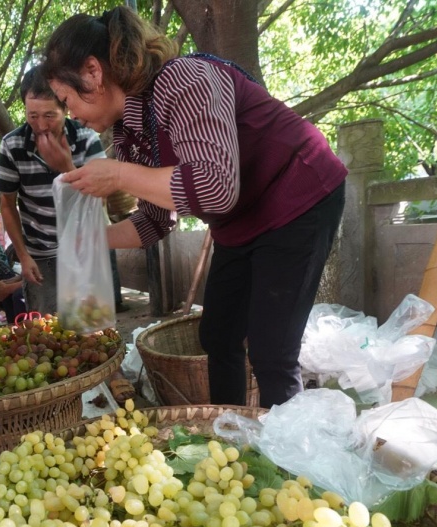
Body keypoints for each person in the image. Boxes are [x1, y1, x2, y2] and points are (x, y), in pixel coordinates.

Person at [42, 6, 347, 409]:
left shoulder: (184, 80)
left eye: (66, 101)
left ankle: (291, 461)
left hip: (299, 197)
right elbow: (155, 221)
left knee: (272, 352)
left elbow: (215, 188)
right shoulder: (130, 132)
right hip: (241, 221)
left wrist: (117, 176)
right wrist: (92, 240)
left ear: (93, 73)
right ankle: (228, 433)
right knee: (218, 335)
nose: (72, 117)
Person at [0, 65, 106, 314]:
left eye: (49, 116)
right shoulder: (12, 145)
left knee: (92, 330)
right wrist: (23, 257)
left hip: (84, 251)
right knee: (46, 333)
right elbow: (7, 206)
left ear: (65, 108)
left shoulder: (86, 139)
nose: (41, 125)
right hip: (39, 257)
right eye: (32, 116)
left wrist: (66, 167)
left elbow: (100, 198)